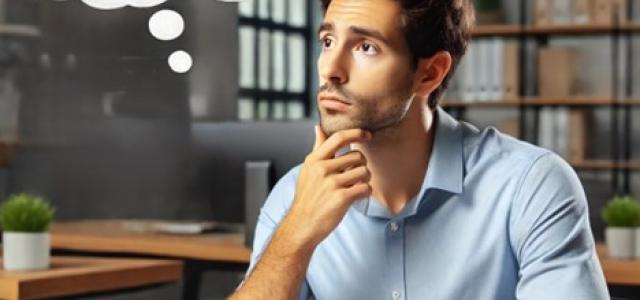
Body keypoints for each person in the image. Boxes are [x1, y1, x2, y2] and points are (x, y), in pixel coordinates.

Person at [230, 0, 609, 299]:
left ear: (430, 73)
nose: (331, 69)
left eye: (366, 47)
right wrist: (296, 233)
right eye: (328, 41)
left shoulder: (531, 186)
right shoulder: (295, 198)